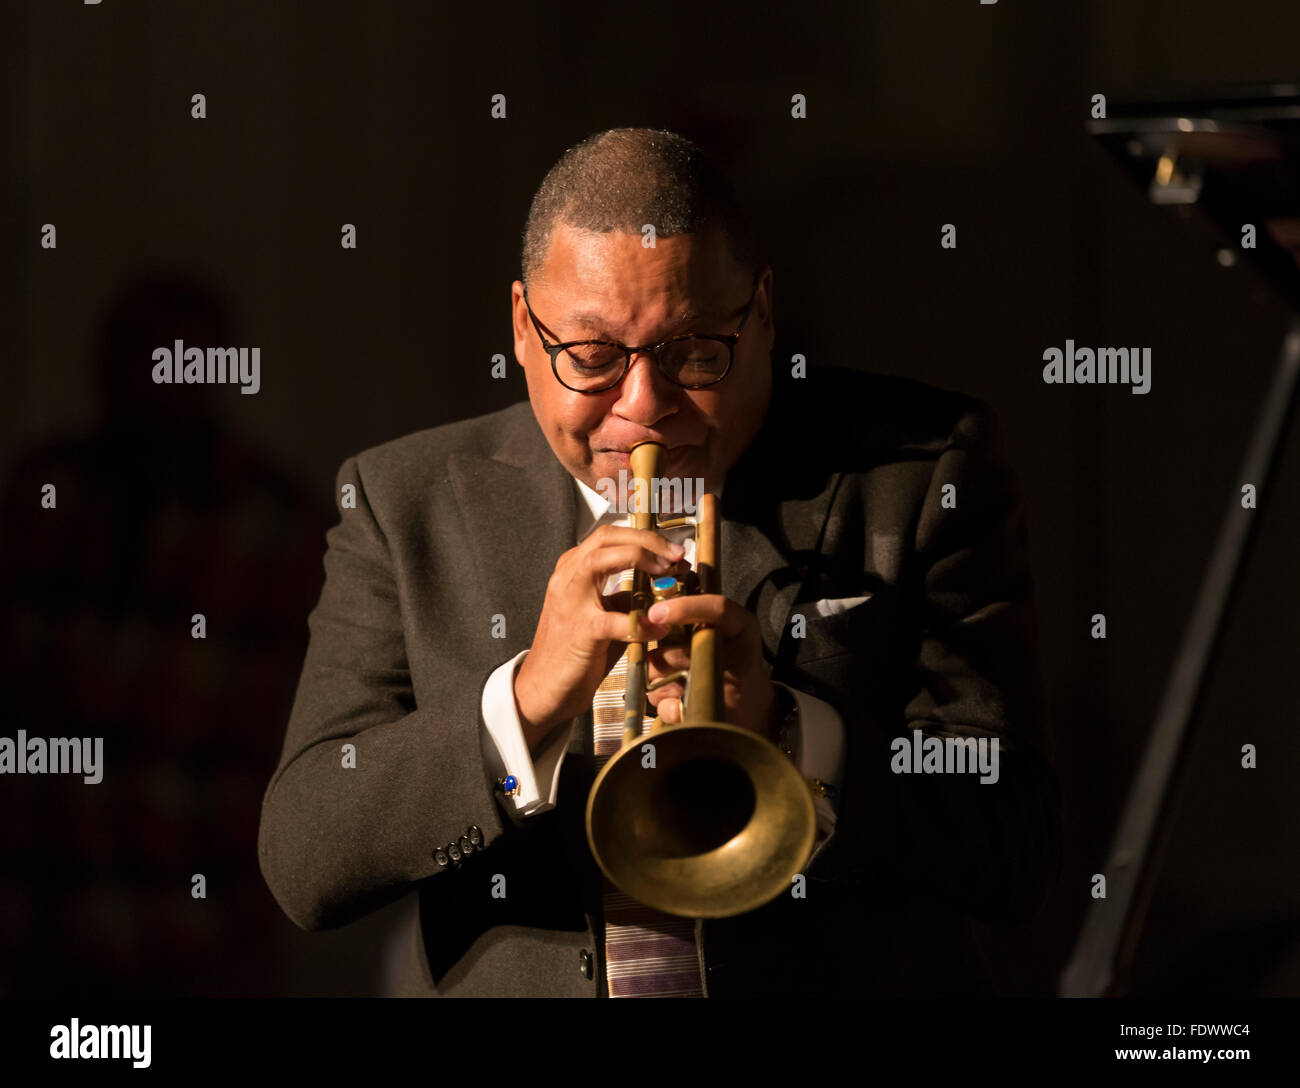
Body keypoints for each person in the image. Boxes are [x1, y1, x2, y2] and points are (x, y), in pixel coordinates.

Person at [257, 127, 1062, 997]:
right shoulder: (399, 499)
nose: (645, 407)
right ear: (524, 328)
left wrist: (790, 733)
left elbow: (1014, 845)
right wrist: (526, 704)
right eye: (594, 357)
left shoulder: (920, 469)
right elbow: (305, 859)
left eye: (692, 352)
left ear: (761, 313)